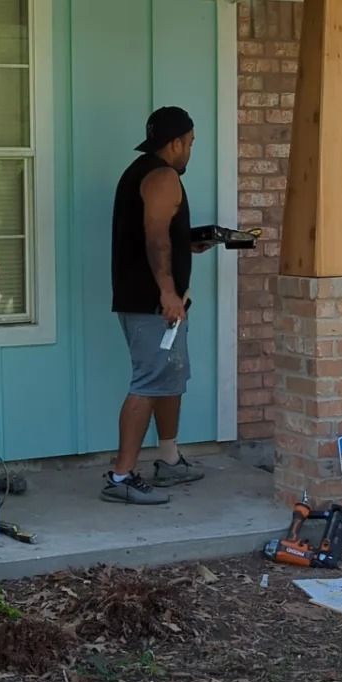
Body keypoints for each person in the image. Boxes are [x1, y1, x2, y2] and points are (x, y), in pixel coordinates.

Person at [103, 106, 211, 504]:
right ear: (176, 143)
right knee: (148, 382)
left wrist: (188, 243)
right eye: (191, 143)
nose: (191, 150)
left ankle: (168, 460)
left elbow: (158, 233)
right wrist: (167, 291)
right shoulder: (163, 176)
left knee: (169, 377)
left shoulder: (139, 172)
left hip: (151, 300)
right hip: (153, 303)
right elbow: (154, 237)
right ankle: (120, 478)